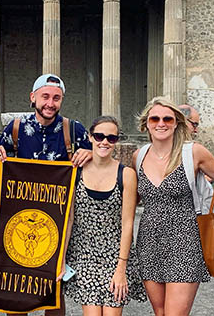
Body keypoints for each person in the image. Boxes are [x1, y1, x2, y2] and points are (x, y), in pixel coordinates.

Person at [0, 73, 93, 316]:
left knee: (53, 281)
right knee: (17, 278)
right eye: (45, 96)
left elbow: (97, 157)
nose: (50, 103)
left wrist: (90, 155)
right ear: (33, 97)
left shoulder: (73, 129)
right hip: (21, 213)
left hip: (59, 216)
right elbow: (0, 154)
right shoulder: (15, 128)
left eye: (56, 98)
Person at [131, 97, 214, 316]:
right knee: (160, 312)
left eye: (167, 119)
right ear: (146, 123)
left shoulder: (194, 152)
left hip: (186, 242)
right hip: (149, 243)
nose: (161, 123)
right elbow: (130, 200)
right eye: (155, 119)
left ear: (176, 123)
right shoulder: (138, 156)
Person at [64, 116, 147, 316]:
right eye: (99, 136)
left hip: (114, 255)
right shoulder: (76, 172)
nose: (104, 142)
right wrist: (60, 259)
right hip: (83, 254)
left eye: (111, 138)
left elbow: (128, 224)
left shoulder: (126, 174)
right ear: (90, 138)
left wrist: (121, 269)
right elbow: (69, 219)